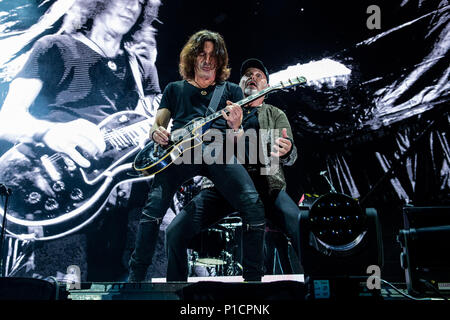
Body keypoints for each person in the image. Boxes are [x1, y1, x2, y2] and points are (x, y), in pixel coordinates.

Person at [0, 0, 161, 281]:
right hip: (58, 196)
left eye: (139, 2)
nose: (130, 7)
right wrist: (49, 132)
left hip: (122, 205)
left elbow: (154, 135)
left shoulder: (143, 68)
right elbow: (7, 119)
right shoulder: (54, 47)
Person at [128, 30, 266, 282]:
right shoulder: (174, 89)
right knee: (152, 210)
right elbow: (157, 125)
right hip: (178, 152)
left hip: (216, 150)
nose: (207, 59)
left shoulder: (232, 90)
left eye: (214, 54)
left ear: (221, 60)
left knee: (253, 204)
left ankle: (254, 283)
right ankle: (138, 280)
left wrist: (235, 126)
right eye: (202, 53)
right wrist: (156, 132)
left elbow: (240, 140)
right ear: (192, 57)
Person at [165, 58, 302, 281]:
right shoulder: (221, 113)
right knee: (175, 233)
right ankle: (176, 293)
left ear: (266, 87)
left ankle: (316, 289)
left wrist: (286, 151)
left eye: (259, 75)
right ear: (238, 85)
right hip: (224, 187)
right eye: (248, 74)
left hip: (266, 185)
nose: (253, 78)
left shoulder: (274, 114)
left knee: (300, 226)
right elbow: (212, 152)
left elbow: (286, 156)